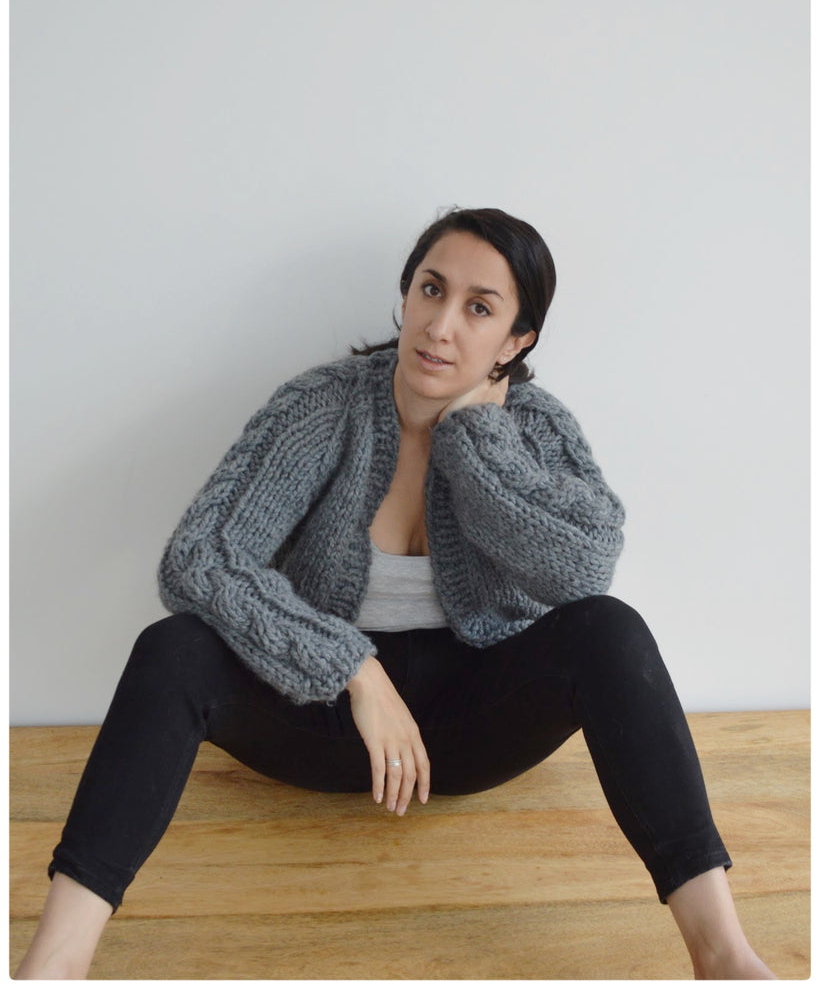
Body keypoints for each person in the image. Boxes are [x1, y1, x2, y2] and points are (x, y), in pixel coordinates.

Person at [14, 208, 775, 980]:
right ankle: (56, 962)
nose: (440, 325)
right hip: (323, 718)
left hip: (469, 729)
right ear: (405, 295)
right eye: (430, 289)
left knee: (610, 630)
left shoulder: (536, 428)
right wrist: (352, 667)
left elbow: (584, 571)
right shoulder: (324, 406)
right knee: (172, 648)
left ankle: (722, 954)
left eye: (479, 308)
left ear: (517, 340)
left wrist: (475, 442)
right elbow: (201, 557)